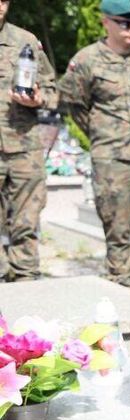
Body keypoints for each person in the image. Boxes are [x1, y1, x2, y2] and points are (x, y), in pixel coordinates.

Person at [59, 0, 130, 300]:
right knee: (118, 231)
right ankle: (124, 296)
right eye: (126, 24)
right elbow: (75, 104)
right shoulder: (86, 61)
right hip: (112, 161)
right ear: (106, 23)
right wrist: (104, 136)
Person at [0, 0, 56, 282]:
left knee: (26, 226)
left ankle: (26, 298)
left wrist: (38, 98)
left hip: (23, 148)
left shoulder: (26, 41)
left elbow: (52, 89)